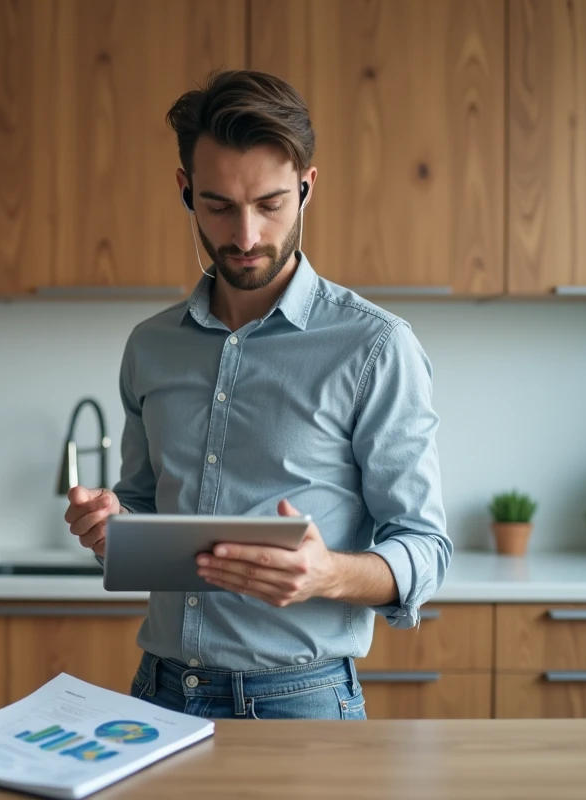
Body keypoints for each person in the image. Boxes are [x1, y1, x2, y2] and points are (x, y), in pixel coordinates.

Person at [63, 69, 452, 720]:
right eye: (219, 206)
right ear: (186, 191)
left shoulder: (375, 348)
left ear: (307, 187)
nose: (245, 236)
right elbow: (140, 503)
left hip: (300, 701)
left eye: (270, 204)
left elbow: (425, 548)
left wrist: (328, 573)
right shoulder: (150, 347)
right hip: (158, 694)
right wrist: (111, 526)